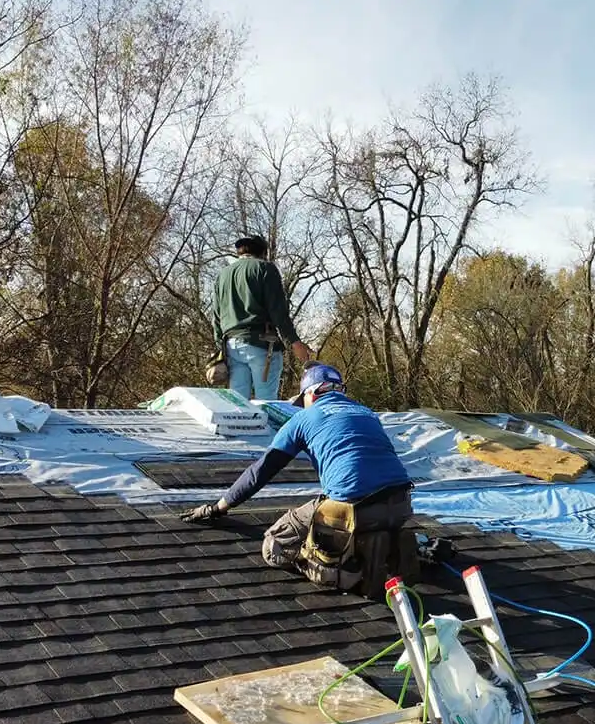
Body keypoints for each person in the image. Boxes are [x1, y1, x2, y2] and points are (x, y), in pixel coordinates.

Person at [179, 362, 417, 595]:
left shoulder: (303, 419)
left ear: (310, 394)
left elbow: (262, 470)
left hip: (353, 508)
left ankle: (346, 570)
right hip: (401, 504)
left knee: (274, 547)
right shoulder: (367, 413)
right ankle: (383, 545)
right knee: (348, 514)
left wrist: (217, 507)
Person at [212, 235, 313, 401]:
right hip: (261, 344)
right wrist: (294, 342)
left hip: (231, 346)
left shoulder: (222, 275)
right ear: (263, 253)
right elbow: (278, 311)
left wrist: (220, 348)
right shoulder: (265, 268)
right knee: (266, 403)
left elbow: (216, 317)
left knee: (239, 404)